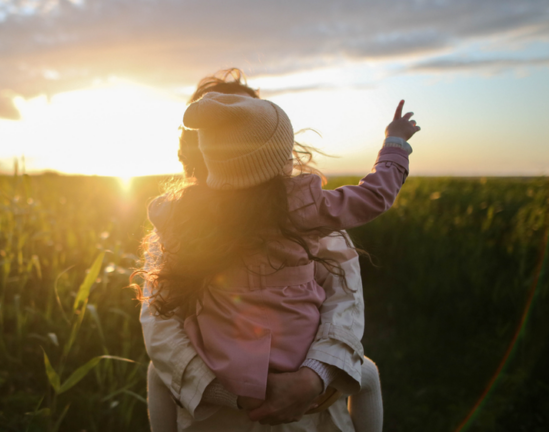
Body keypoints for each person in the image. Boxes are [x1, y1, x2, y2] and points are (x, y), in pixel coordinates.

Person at [138, 69, 417, 431]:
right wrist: (395, 145)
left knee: (155, 374)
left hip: (284, 395)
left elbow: (343, 305)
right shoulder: (307, 210)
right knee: (368, 374)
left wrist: (309, 379)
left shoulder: (182, 217)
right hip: (244, 396)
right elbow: (161, 330)